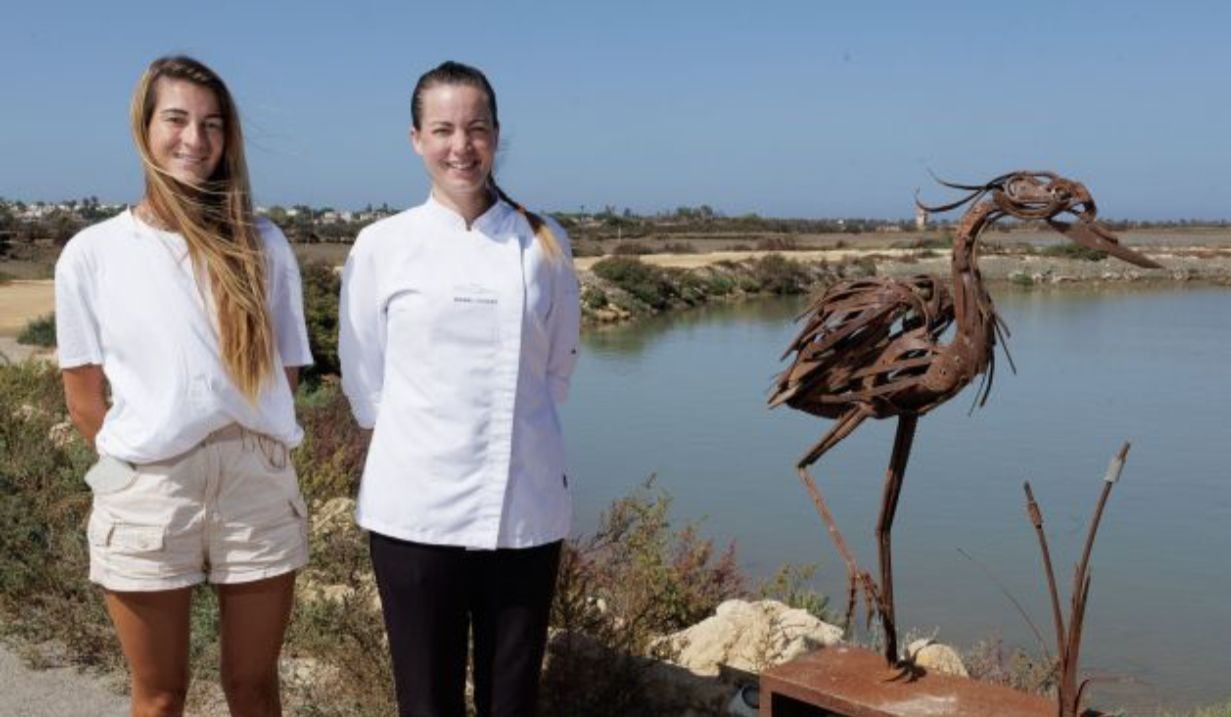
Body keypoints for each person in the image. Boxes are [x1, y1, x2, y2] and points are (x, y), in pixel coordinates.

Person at [55, 55, 313, 717]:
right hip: (148, 486)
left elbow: (283, 371)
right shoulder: (92, 252)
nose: (193, 139)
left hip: (255, 481)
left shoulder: (264, 244)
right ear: (144, 127)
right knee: (160, 695)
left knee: (254, 690)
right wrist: (127, 474)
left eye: (211, 124)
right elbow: (84, 394)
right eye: (176, 119)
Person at [339, 60, 581, 717]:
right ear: (416, 139)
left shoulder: (543, 243)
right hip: (414, 512)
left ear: (497, 135)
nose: (460, 145)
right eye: (442, 129)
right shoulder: (382, 245)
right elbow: (365, 376)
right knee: (425, 701)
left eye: (475, 128)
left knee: (511, 700)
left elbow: (555, 370)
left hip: (523, 506)